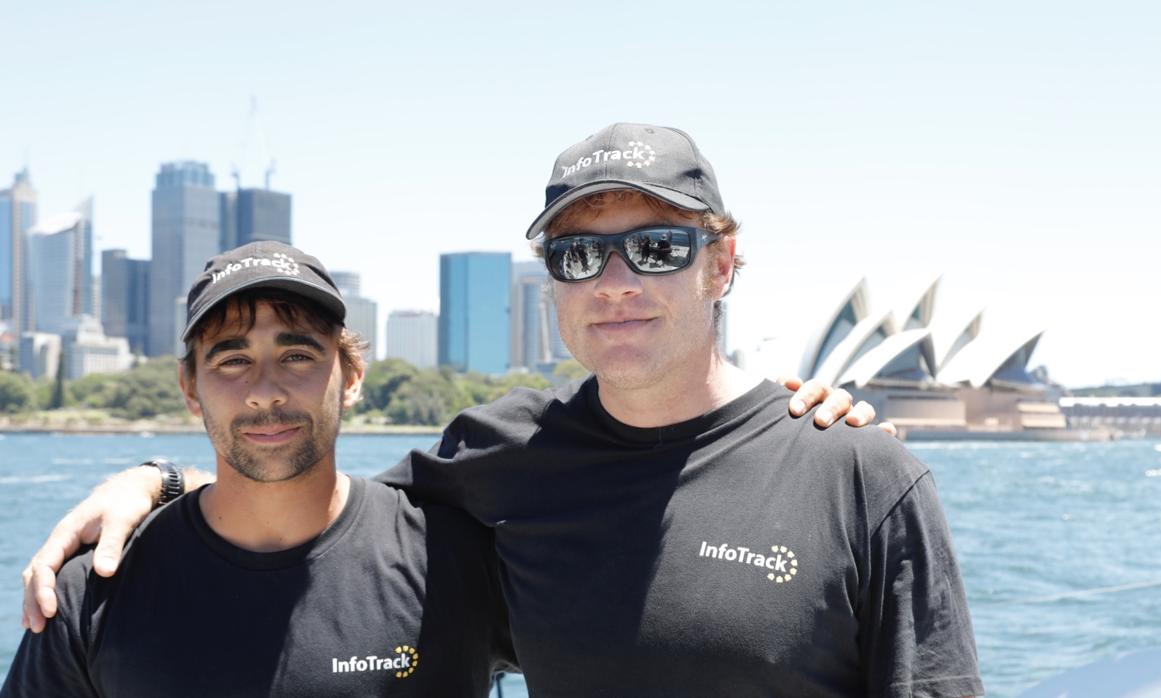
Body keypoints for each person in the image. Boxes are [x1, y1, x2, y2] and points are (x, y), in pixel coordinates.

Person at [365, 123, 984, 696]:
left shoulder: (860, 473)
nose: (613, 283)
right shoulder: (504, 449)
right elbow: (323, 530)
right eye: (576, 255)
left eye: (656, 248)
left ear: (719, 266)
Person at [2, 242, 513, 696]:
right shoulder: (90, 590)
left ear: (352, 377)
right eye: (232, 360)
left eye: (296, 355)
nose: (265, 390)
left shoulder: (455, 559)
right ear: (189, 388)